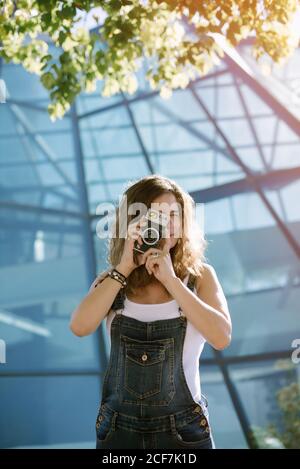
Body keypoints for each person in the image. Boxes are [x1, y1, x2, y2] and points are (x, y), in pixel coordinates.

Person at [70, 174, 232, 449]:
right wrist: (124, 267)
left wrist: (171, 280)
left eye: (174, 215)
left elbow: (221, 337)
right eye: (156, 215)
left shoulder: (200, 276)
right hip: (119, 434)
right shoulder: (112, 280)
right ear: (133, 223)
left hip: (186, 434)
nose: (167, 224)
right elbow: (80, 327)